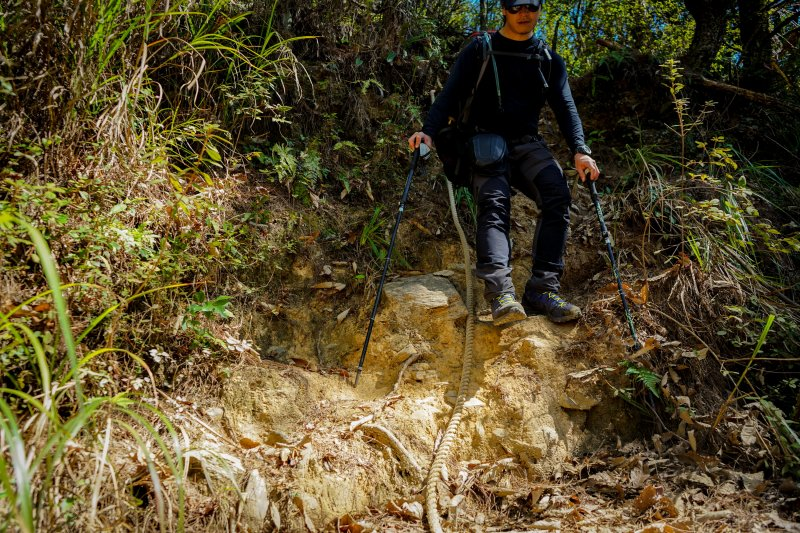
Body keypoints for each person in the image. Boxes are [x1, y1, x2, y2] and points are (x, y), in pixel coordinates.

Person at [408, 0, 600, 326]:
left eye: (531, 6)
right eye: (515, 6)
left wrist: (580, 150)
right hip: (484, 141)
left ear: (539, 9)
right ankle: (501, 294)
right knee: (494, 203)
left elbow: (566, 108)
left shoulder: (549, 60)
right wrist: (426, 133)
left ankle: (542, 290)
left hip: (526, 142)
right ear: (504, 10)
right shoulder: (480, 50)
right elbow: (450, 94)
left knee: (556, 194)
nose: (524, 13)